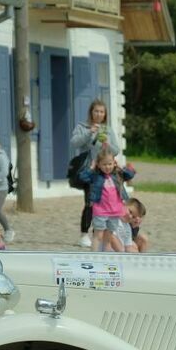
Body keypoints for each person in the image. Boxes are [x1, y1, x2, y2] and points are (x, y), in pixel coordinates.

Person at [71, 99, 120, 247]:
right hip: (90, 170)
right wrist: (89, 133)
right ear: (91, 113)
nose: (99, 114)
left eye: (102, 112)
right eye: (96, 111)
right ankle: (84, 234)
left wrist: (107, 145)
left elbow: (116, 150)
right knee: (90, 202)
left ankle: (98, 234)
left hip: (106, 171)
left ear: (105, 114)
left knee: (105, 202)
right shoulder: (83, 126)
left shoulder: (108, 129)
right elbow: (74, 143)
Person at [80, 146, 136, 252]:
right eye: (104, 164)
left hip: (115, 211)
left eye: (110, 164)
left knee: (108, 236)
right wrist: (92, 167)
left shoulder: (117, 174)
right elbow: (83, 177)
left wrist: (119, 166)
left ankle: (105, 254)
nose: (107, 167)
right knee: (98, 235)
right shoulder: (96, 176)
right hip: (100, 211)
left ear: (113, 163)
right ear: (99, 164)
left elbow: (130, 175)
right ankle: (94, 255)